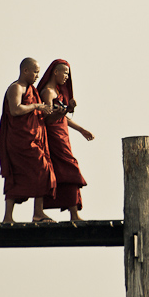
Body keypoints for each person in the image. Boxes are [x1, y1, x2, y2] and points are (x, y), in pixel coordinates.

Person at [0, 57, 57, 223]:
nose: (37, 75)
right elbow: (16, 109)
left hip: (33, 138)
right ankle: (8, 217)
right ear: (25, 71)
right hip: (20, 141)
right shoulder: (16, 88)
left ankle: (38, 212)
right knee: (18, 174)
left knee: (43, 171)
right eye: (35, 72)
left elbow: (41, 115)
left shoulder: (33, 90)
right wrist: (37, 106)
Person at [38, 59, 94, 221]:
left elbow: (64, 118)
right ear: (56, 72)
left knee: (66, 171)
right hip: (53, 138)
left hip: (63, 136)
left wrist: (81, 129)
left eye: (68, 75)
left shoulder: (58, 92)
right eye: (65, 73)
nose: (66, 78)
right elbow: (48, 117)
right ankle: (68, 213)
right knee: (69, 168)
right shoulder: (48, 92)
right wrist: (66, 110)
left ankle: (74, 213)